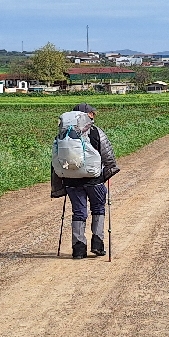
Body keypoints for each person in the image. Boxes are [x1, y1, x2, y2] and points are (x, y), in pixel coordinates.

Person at [50, 103, 119, 258]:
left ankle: (78, 249)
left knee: (79, 212)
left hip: (71, 180)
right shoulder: (95, 131)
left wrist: (59, 183)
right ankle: (98, 244)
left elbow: (56, 160)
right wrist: (108, 173)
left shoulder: (62, 134)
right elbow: (108, 156)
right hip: (94, 179)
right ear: (89, 115)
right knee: (98, 208)